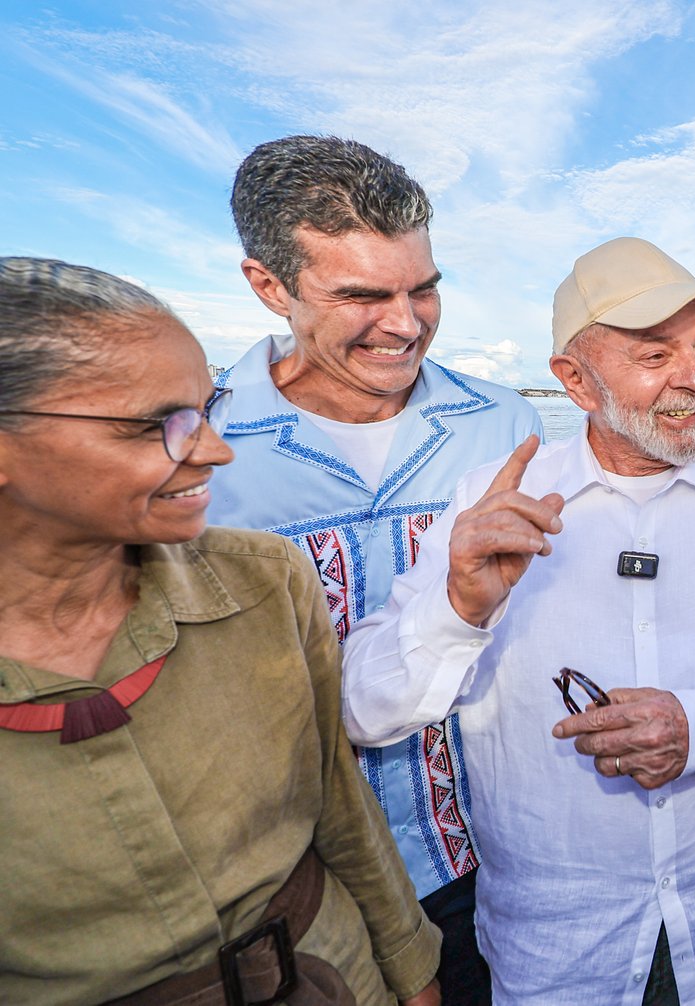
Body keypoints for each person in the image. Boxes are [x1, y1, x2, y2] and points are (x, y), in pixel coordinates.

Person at [342, 236, 695, 1004]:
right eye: (656, 356)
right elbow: (363, 708)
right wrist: (460, 608)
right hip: (558, 954)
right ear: (575, 382)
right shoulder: (490, 504)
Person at [0, 257, 440, 1004]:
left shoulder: (267, 581)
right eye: (153, 426)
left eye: (207, 407)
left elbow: (341, 805)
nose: (213, 449)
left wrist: (413, 979)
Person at [209, 134, 542, 1002]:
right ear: (268, 285)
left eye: (423, 288)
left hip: (493, 866)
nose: (405, 323)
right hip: (291, 894)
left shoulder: (504, 424)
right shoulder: (196, 450)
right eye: (362, 294)